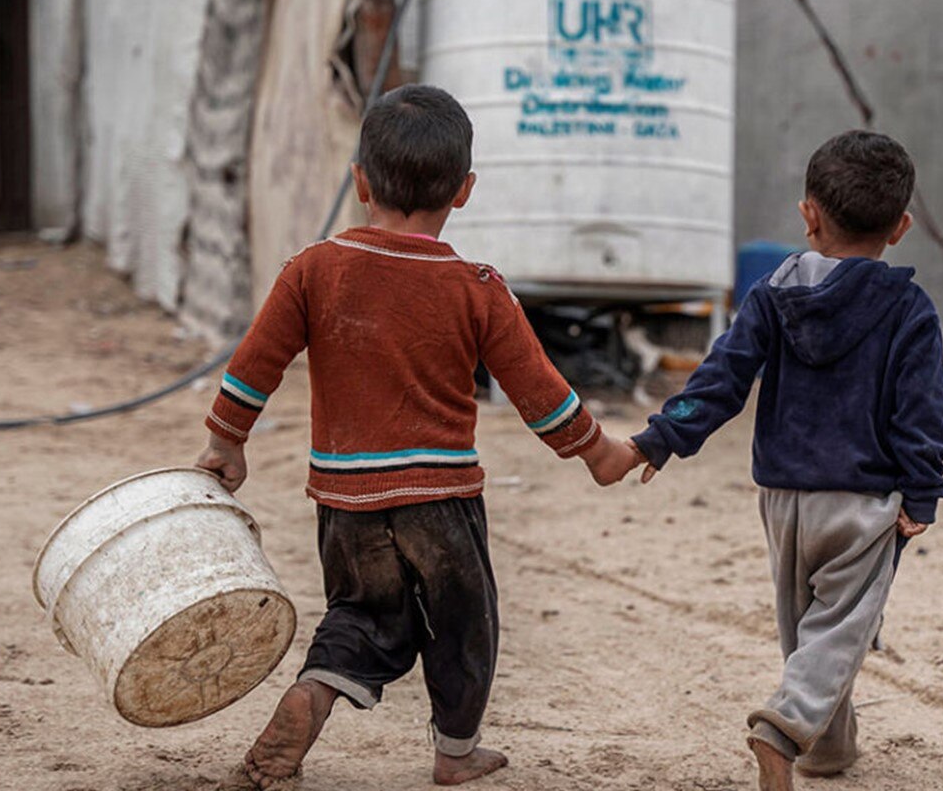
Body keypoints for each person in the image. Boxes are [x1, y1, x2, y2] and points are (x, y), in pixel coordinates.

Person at [197, 84, 636, 790]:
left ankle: (313, 692)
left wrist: (227, 441)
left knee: (359, 616)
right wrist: (598, 451)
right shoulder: (477, 286)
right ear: (464, 190)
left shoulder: (311, 270)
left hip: (346, 500)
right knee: (465, 627)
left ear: (360, 181)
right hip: (441, 497)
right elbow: (539, 391)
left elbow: (254, 364)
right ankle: (455, 752)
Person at [621, 131, 943, 790]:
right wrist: (923, 491)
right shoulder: (909, 308)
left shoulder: (772, 293)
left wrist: (661, 438)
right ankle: (783, 728)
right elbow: (922, 411)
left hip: (783, 499)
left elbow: (720, 380)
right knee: (840, 630)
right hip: (863, 499)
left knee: (807, 632)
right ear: (901, 227)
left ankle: (828, 751)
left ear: (809, 215)